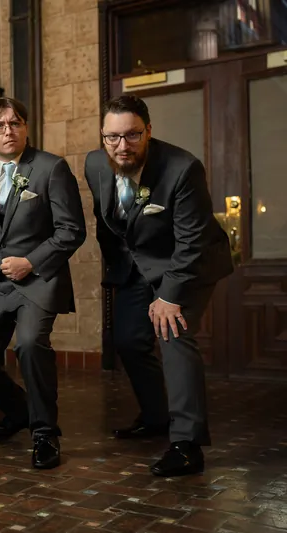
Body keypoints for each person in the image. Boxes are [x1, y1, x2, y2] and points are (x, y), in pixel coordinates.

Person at [84, 94, 233, 477]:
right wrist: (118, 272)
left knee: (173, 334)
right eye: (112, 137)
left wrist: (169, 296)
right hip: (139, 263)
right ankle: (155, 417)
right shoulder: (95, 164)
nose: (122, 146)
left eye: (132, 135)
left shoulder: (182, 169)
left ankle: (187, 445)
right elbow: (110, 225)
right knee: (129, 340)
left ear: (148, 131)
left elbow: (192, 242)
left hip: (190, 262)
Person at [0, 96, 85, 469]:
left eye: (15, 123)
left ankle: (45, 434)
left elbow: (71, 230)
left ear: (26, 127)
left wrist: (31, 262)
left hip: (37, 280)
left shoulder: (50, 168)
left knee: (30, 345)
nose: (8, 131)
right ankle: (19, 412)